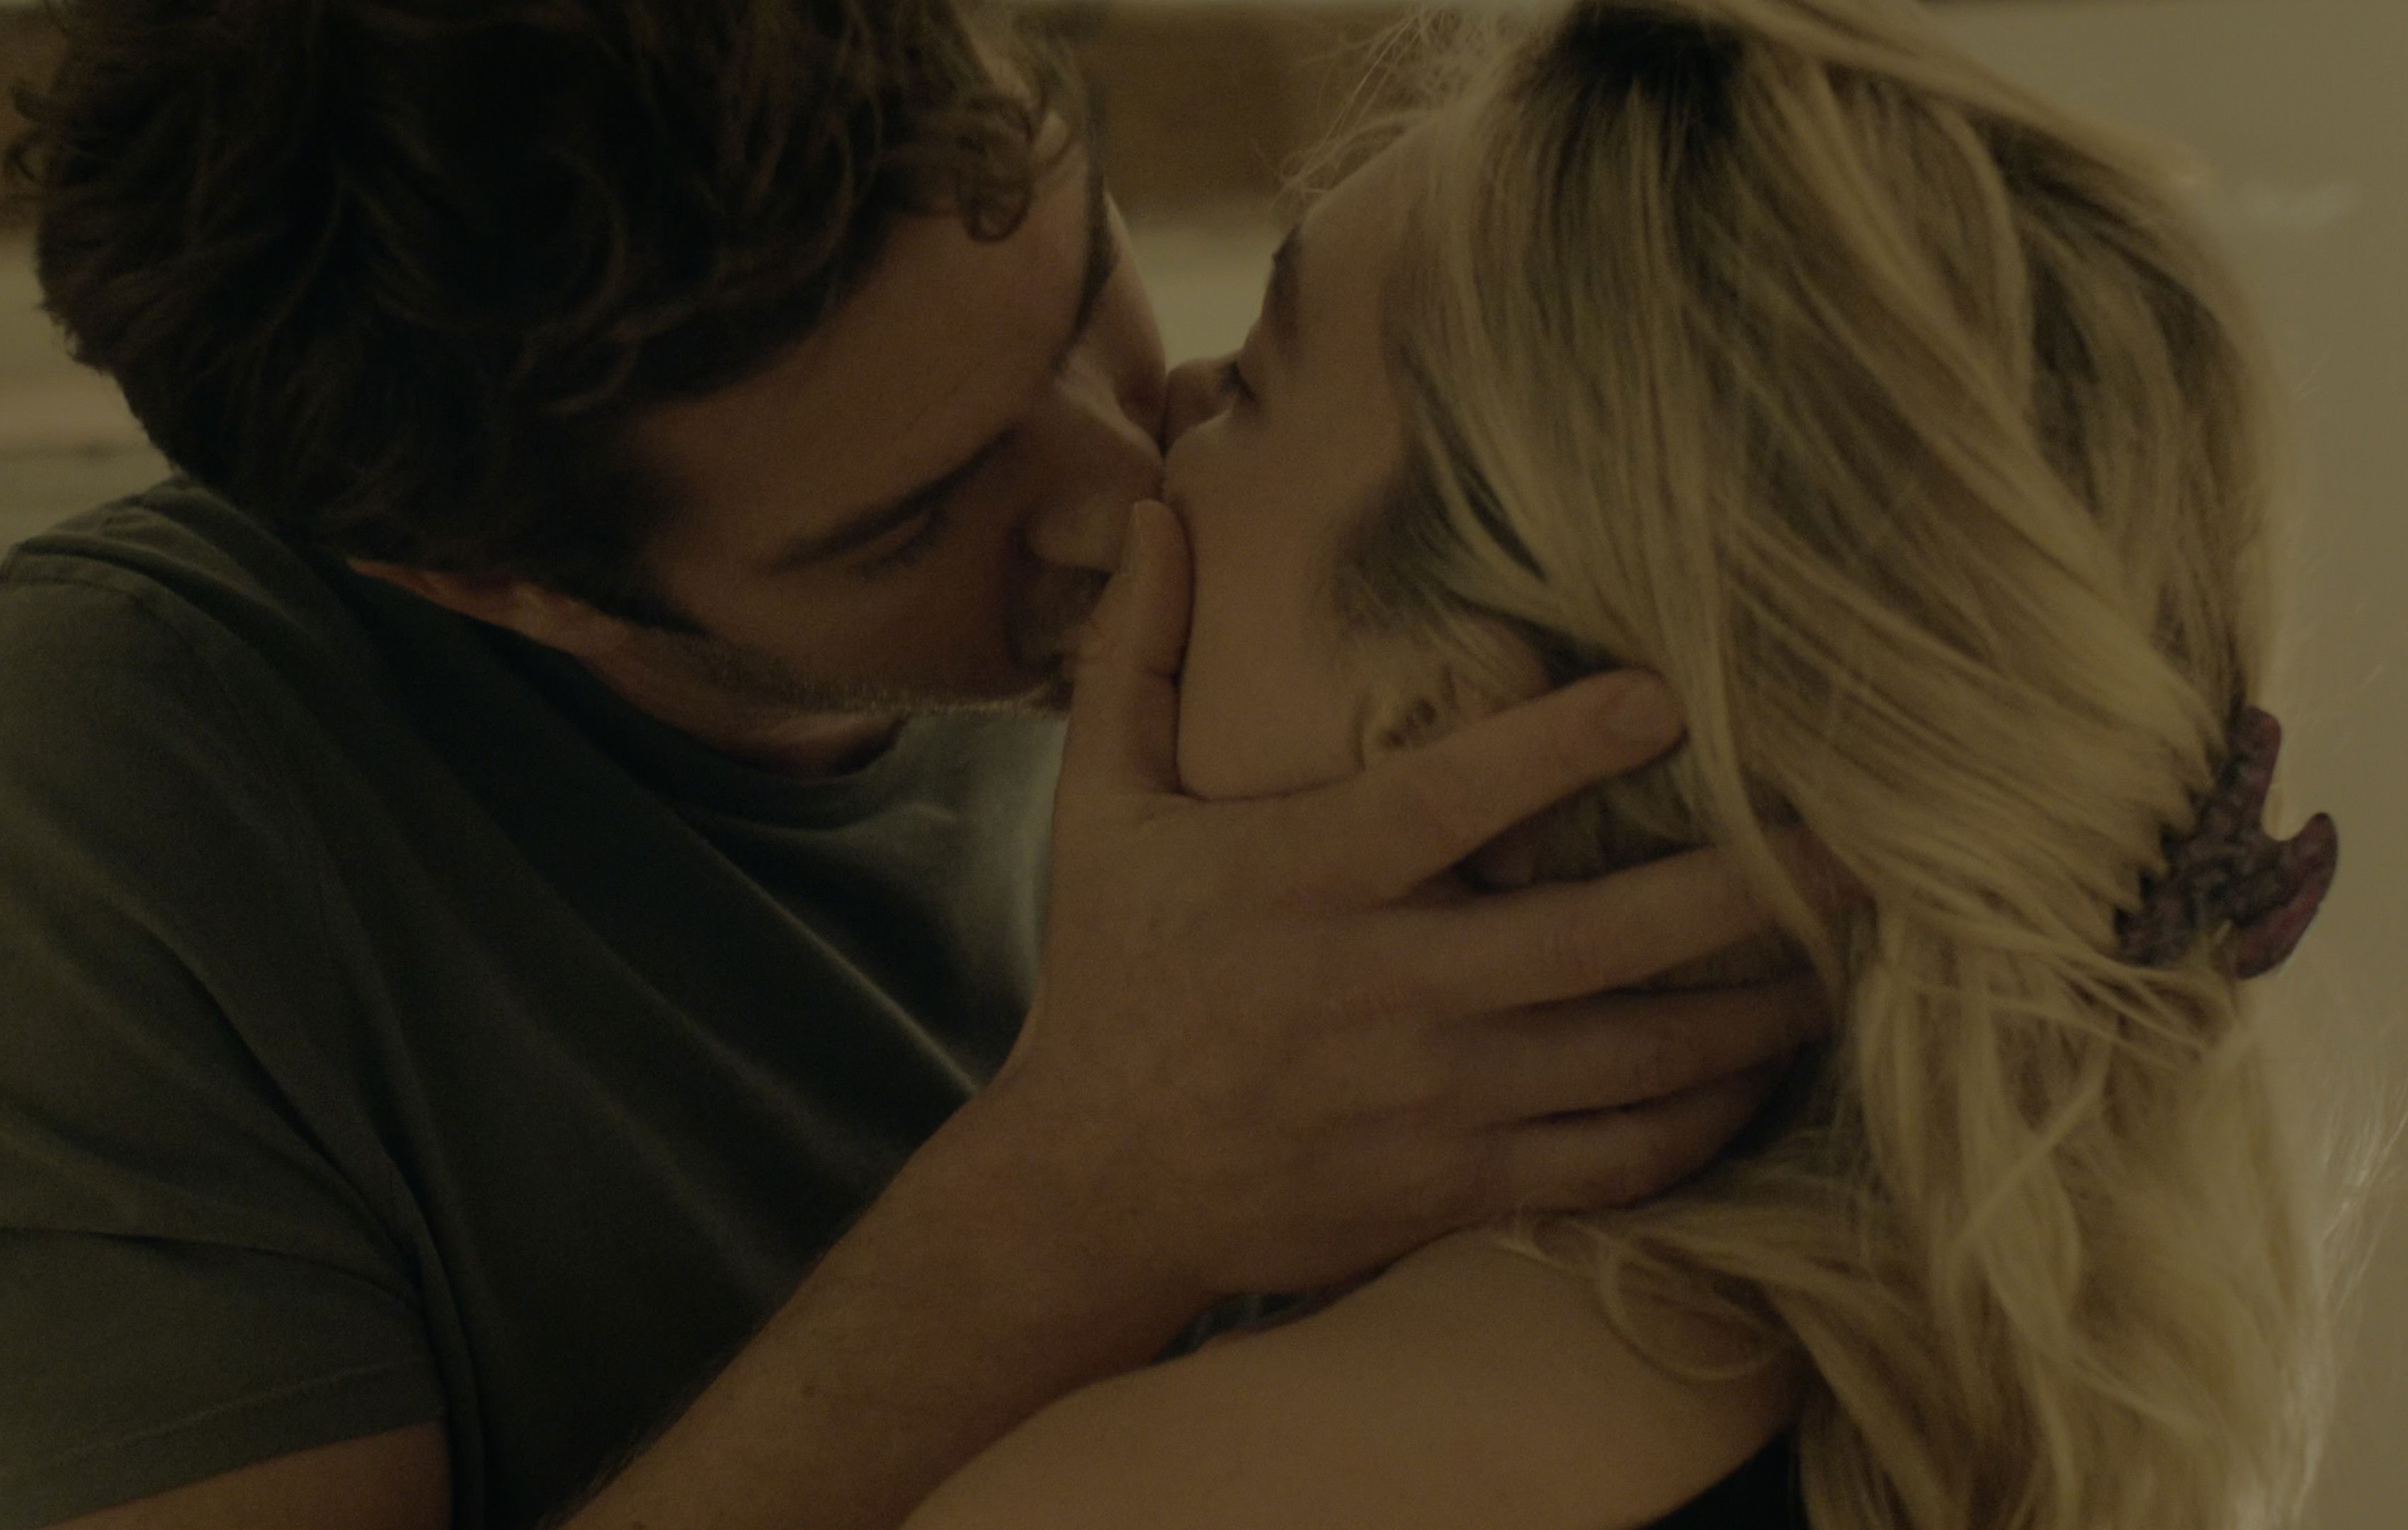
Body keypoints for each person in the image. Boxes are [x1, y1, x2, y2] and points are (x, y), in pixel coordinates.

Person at [0, 3, 1846, 1529]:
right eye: (911, 522)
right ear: (490, 584)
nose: (1131, 494)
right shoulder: (57, 857)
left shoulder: (1315, 602)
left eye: (1085, 291)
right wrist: (1084, 1204)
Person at [900, 1, 2375, 1528]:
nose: (1166, 425)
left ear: (1451, 724)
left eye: (1261, 385)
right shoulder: (1994, 1403)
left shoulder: (1162, 1497)